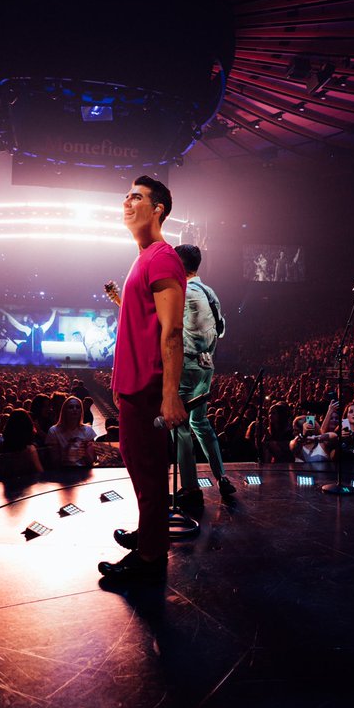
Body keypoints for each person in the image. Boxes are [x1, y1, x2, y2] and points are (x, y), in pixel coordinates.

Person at [99, 175, 187, 582]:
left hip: (149, 388)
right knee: (138, 464)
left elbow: (172, 332)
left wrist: (170, 396)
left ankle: (151, 557)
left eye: (136, 197)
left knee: (149, 471)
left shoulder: (163, 258)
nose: (127, 202)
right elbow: (142, 322)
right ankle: (149, 532)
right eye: (126, 196)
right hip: (132, 387)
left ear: (158, 210)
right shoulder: (144, 257)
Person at [172, 243, 236, 501]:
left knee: (180, 425)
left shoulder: (181, 291)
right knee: (200, 422)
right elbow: (222, 330)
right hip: (207, 365)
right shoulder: (209, 292)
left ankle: (190, 488)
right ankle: (221, 476)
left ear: (178, 264)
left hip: (187, 365)